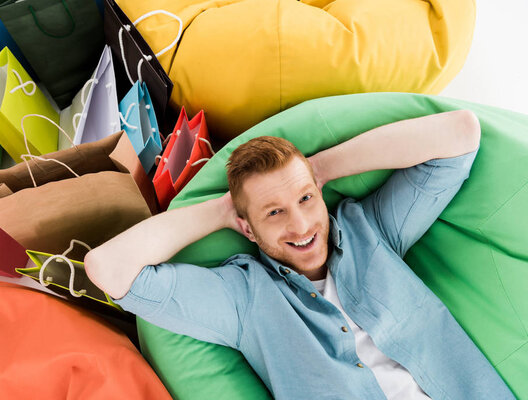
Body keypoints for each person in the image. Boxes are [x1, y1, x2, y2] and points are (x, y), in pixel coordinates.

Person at [85, 110, 514, 399]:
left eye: (306, 200)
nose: (301, 225)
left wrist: (318, 170)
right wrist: (221, 211)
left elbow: (461, 132)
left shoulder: (371, 231)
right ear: (248, 228)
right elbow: (107, 268)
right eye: (275, 212)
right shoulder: (245, 298)